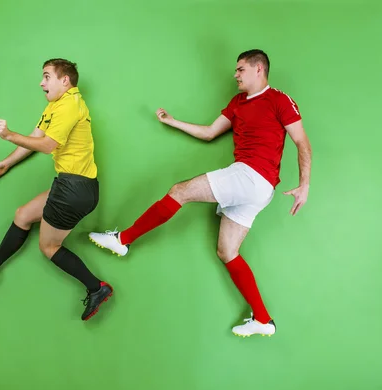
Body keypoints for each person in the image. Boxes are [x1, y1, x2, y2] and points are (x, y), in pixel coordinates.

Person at [88, 49, 311, 336]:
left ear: (259, 69)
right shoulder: (238, 103)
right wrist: (172, 121)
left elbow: (302, 142)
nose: (235, 75)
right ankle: (263, 320)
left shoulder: (279, 99)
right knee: (227, 251)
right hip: (255, 188)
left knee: (180, 190)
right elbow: (209, 133)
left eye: (241, 69)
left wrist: (304, 185)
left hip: (252, 175)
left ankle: (123, 239)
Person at [0, 58, 113, 321]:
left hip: (74, 188)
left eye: (47, 76)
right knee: (23, 214)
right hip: (69, 185)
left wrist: (8, 134)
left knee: (49, 246)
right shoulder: (54, 107)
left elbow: (48, 145)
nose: (41, 82)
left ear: (65, 80)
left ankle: (98, 288)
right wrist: (6, 162)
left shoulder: (71, 104)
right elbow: (34, 139)